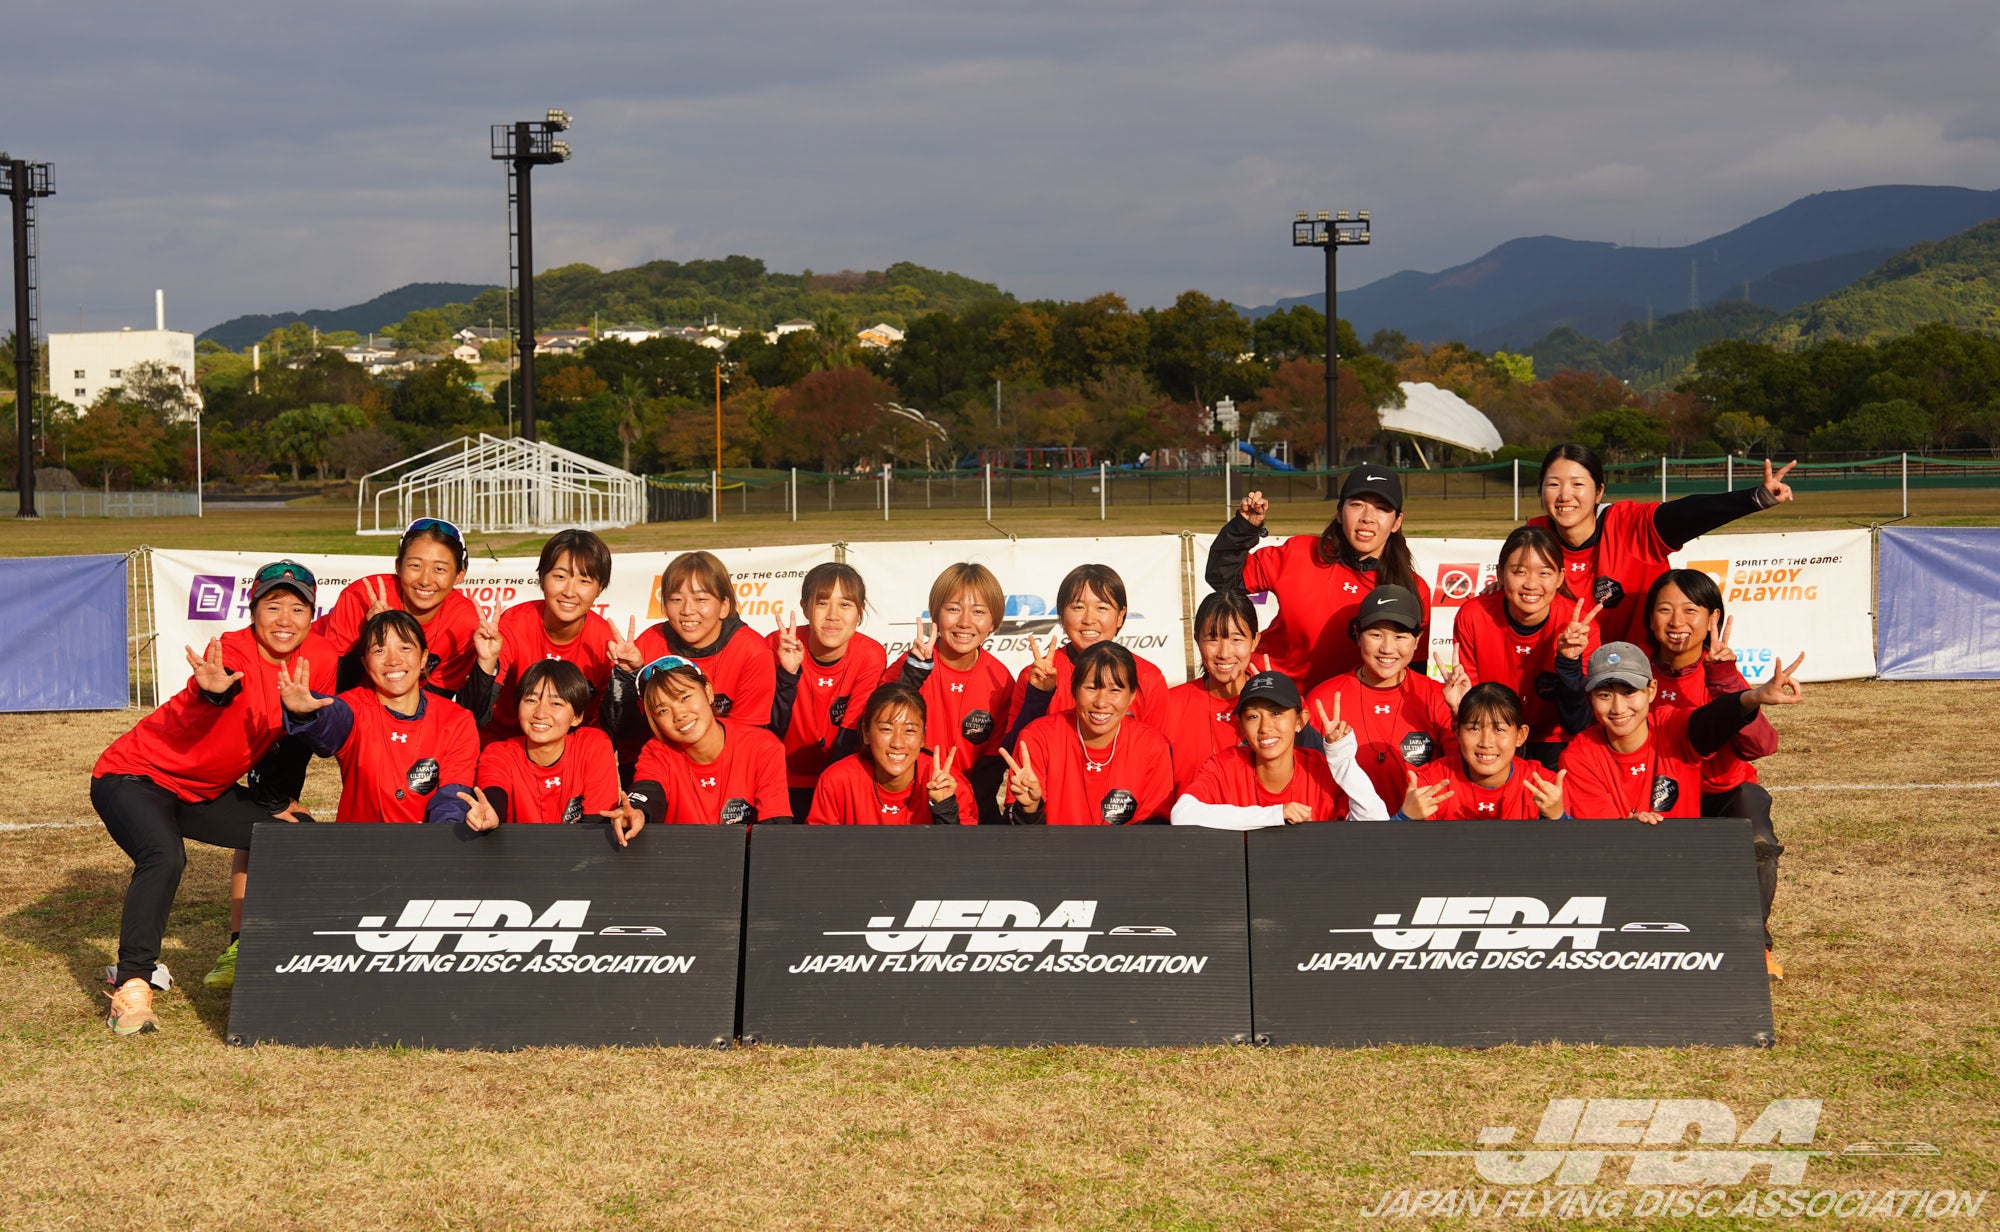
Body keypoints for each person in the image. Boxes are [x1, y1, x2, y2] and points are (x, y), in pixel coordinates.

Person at [90, 560, 337, 1034]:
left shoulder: (319, 657)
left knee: (295, 833)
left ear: (312, 614)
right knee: (164, 856)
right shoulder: (231, 651)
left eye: (297, 608)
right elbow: (214, 689)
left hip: (201, 792)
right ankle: (133, 984)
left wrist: (276, 797)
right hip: (134, 777)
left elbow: (295, 739)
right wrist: (213, 693)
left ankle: (253, 952)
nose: (285, 619)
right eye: (273, 606)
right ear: (253, 610)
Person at [1642, 568, 1787, 975]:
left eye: (1690, 610)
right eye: (1665, 609)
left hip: (1724, 791)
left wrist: (1726, 681)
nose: (1677, 621)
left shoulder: (1722, 672)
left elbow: (1760, 746)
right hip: (1656, 792)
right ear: (1649, 618)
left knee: (1758, 841)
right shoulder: (1637, 672)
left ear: (1713, 619)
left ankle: (1755, 944)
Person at [1531, 443, 1796, 645]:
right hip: (1569, 670)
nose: (1565, 495)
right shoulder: (1533, 538)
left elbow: (1689, 511)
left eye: (1577, 484)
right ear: (1541, 489)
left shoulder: (1627, 524)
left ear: (1599, 491)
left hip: (1642, 675)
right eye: (1553, 484)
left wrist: (1755, 498)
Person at [1205, 464, 1433, 692]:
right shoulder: (1301, 553)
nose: (1367, 518)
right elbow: (1223, 577)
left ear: (1397, 522)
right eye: (1357, 504)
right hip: (1268, 696)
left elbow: (1411, 673)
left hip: (1341, 707)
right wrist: (1244, 527)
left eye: (1381, 508)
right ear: (1339, 512)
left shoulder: (1411, 590)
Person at [1560, 642, 1806, 832]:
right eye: (1604, 695)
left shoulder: (1672, 726)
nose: (1618, 708)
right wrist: (1630, 829)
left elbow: (1711, 720)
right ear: (1590, 698)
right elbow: (1601, 837)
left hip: (1685, 861)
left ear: (1651, 691)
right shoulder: (1579, 755)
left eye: (1629, 692)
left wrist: (1753, 697)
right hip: (1619, 867)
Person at [274, 611, 481, 825]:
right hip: (361, 842)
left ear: (423, 658)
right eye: (379, 650)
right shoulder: (355, 707)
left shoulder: (456, 720)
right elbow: (331, 721)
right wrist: (306, 713)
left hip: (427, 843)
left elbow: (454, 795)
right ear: (365, 663)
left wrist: (435, 836)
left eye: (405, 648)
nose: (393, 660)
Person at [609, 550, 777, 778]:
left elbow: (749, 737)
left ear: (724, 606)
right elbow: (626, 731)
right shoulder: (648, 643)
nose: (687, 610)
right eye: (676, 600)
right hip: (660, 766)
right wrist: (628, 676)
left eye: (701, 599)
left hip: (727, 771)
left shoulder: (752, 650)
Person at [1449, 525, 1599, 769]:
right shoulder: (1474, 615)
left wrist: (1569, 662)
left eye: (1544, 573)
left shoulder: (1579, 626)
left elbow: (1578, 722)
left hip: (1555, 739)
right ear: (1500, 574)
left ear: (1560, 577)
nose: (1531, 584)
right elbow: (1470, 700)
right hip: (1492, 736)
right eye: (1519, 572)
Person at [1302, 585, 1463, 809]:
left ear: (1417, 640)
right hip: (1344, 826)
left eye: (1400, 636)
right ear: (1358, 634)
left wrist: (1460, 713)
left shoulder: (1438, 697)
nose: (1387, 648)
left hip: (1421, 825)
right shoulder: (1324, 699)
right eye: (1376, 635)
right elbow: (1305, 781)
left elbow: (1462, 773)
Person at [885, 562, 1018, 825]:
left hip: (972, 802)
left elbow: (993, 760)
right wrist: (912, 676)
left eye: (978, 611)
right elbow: (881, 729)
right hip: (913, 798)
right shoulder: (911, 666)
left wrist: (961, 804)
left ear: (993, 621)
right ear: (936, 614)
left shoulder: (1000, 679)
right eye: (954, 609)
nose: (965, 622)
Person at [1169, 671, 1389, 829]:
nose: (1265, 727)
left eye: (1276, 713)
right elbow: (1182, 815)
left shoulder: (1322, 770)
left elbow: (1375, 822)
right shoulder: (1224, 766)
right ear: (1241, 726)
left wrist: (1342, 760)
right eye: (1253, 716)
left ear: (1300, 721)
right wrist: (1276, 814)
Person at [462, 529, 618, 742]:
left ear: (600, 588)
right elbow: (473, 715)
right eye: (560, 577)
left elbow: (610, 731)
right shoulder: (514, 624)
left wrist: (628, 677)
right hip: (503, 744)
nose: (569, 591)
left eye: (584, 581)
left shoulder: (606, 643)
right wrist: (486, 666)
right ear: (542, 578)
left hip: (568, 751)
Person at [999, 642, 1175, 825]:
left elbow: (1155, 827)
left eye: (1115, 690)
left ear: (1131, 696)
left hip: (1126, 844)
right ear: (1074, 690)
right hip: (1053, 844)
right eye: (1091, 688)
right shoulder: (1038, 737)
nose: (1101, 702)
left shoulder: (1152, 746)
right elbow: (1018, 830)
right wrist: (1029, 810)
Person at [766, 562, 887, 818]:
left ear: (860, 612)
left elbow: (851, 733)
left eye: (845, 604)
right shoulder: (777, 644)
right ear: (805, 608)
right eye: (822, 603)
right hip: (780, 779)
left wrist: (828, 790)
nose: (833, 615)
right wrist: (788, 675)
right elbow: (768, 730)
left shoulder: (870, 655)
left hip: (838, 779)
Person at [462, 660, 634, 836]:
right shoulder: (498, 754)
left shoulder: (593, 745)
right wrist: (490, 812)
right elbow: (494, 793)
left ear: (577, 716)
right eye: (531, 700)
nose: (540, 713)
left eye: (556, 703)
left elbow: (595, 828)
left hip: (579, 850)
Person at [314, 518, 482, 695]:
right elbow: (333, 685)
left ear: (459, 575)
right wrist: (370, 633)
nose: (425, 580)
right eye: (415, 566)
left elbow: (437, 698)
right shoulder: (360, 596)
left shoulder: (464, 621)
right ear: (398, 567)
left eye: (439, 569)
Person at [625, 656, 792, 825]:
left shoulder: (762, 746)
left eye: (684, 698)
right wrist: (638, 812)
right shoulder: (656, 751)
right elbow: (647, 791)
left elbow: (775, 824)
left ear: (708, 692)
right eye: (662, 711)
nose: (679, 715)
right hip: (681, 844)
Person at [1007, 563, 1172, 729]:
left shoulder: (1148, 677)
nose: (1089, 619)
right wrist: (1038, 696)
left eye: (1101, 608)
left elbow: (1158, 743)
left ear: (1120, 616)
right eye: (1078, 607)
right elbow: (1015, 743)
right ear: (1061, 614)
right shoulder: (1036, 676)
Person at [805, 685, 979, 825]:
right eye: (886, 729)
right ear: (866, 732)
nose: (897, 743)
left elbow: (964, 854)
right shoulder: (837, 780)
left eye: (909, 730)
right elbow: (818, 850)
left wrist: (945, 808)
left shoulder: (952, 786)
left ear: (923, 737)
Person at [1397, 683, 1568, 821]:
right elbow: (1392, 848)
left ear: (1520, 735)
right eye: (1474, 729)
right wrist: (1405, 817)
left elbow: (1574, 849)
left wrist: (1557, 817)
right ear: (1457, 732)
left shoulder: (1544, 786)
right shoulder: (1431, 783)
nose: (1486, 743)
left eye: (1499, 730)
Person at [1154, 591, 1264, 792]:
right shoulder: (1170, 704)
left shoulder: (1279, 705)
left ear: (1255, 641)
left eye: (1236, 639)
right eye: (1213, 639)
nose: (1224, 653)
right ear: (1197, 639)